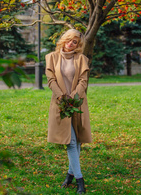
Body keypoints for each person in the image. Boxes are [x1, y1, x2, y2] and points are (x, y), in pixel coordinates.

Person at [45, 29, 92, 194]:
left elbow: (83, 81)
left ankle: (70, 175)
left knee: (77, 140)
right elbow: (51, 80)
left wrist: (73, 96)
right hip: (60, 104)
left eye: (75, 43)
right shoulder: (52, 57)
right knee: (70, 141)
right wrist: (62, 97)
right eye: (69, 40)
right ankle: (80, 180)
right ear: (64, 39)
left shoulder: (81, 59)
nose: (71, 44)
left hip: (77, 102)